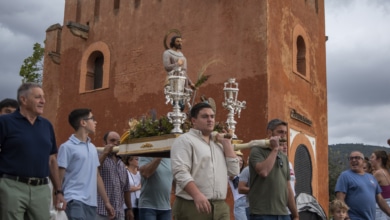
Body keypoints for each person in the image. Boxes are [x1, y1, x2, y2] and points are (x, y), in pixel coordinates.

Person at [0, 82, 66, 220]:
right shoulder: (5, 122)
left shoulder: (47, 125)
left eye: (43, 97)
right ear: (23, 100)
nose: (43, 101)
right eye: (38, 97)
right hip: (12, 186)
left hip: (41, 189)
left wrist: (59, 191)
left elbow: (52, 159)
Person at [171, 102, 240, 219]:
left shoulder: (218, 143)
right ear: (193, 121)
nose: (210, 120)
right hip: (193, 204)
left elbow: (234, 171)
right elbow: (180, 172)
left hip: (220, 206)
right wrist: (197, 195)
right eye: (205, 116)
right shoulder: (185, 141)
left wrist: (227, 144)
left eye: (212, 116)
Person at [57, 108, 115, 220]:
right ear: (83, 122)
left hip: (92, 203)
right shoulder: (67, 147)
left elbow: (96, 175)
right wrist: (58, 195)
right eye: (92, 119)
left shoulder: (93, 148)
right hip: (73, 200)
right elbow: (60, 175)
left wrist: (106, 202)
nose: (95, 122)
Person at [248, 119, 298, 220]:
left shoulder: (284, 157)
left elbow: (288, 187)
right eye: (280, 132)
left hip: (283, 214)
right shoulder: (257, 151)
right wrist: (275, 149)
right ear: (269, 133)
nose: (283, 136)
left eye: (285, 133)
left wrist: (295, 214)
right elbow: (263, 172)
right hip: (262, 213)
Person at [335, 151, 390, 219]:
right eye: (351, 158)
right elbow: (340, 199)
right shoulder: (345, 176)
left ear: (363, 161)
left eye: (357, 158)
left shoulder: (371, 177)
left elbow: (380, 199)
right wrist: (345, 216)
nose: (353, 160)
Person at [96, 131, 133, 220]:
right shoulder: (98, 156)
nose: (116, 144)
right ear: (104, 143)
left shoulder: (122, 163)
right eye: (112, 141)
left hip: (119, 213)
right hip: (101, 212)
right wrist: (105, 153)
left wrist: (129, 208)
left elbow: (126, 189)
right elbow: (94, 170)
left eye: (118, 142)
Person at [370, 150, 390, 220]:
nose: (370, 160)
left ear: (379, 159)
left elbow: (368, 188)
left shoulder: (378, 173)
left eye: (372, 157)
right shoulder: (386, 171)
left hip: (381, 206)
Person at [228, 150, 247, 220]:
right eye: (238, 160)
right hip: (240, 202)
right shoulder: (231, 174)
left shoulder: (245, 173)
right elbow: (231, 174)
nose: (240, 162)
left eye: (241, 160)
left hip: (251, 202)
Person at [123, 156, 141, 220]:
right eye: (136, 159)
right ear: (130, 161)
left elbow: (144, 185)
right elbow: (125, 188)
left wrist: (134, 188)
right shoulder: (125, 172)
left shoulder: (140, 173)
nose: (139, 161)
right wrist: (138, 188)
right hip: (128, 205)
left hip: (139, 205)